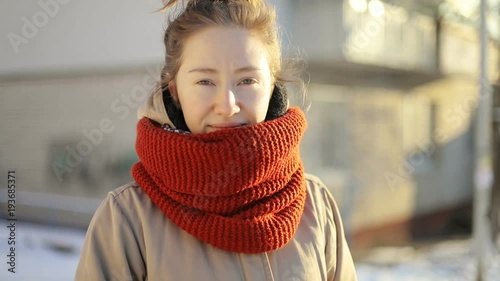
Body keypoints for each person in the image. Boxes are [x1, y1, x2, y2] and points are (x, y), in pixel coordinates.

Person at [75, 0, 357, 280]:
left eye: (247, 81)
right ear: (175, 92)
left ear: (272, 88)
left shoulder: (316, 205)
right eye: (205, 82)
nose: (227, 106)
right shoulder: (127, 219)